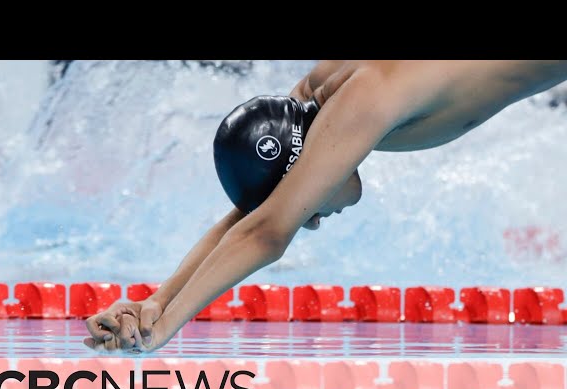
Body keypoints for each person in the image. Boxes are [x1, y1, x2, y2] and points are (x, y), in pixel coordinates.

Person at [83, 60, 567, 352]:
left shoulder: (361, 101)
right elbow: (259, 217)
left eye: (300, 199)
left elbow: (266, 232)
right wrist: (155, 301)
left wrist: (164, 327)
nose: (312, 217)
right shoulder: (314, 101)